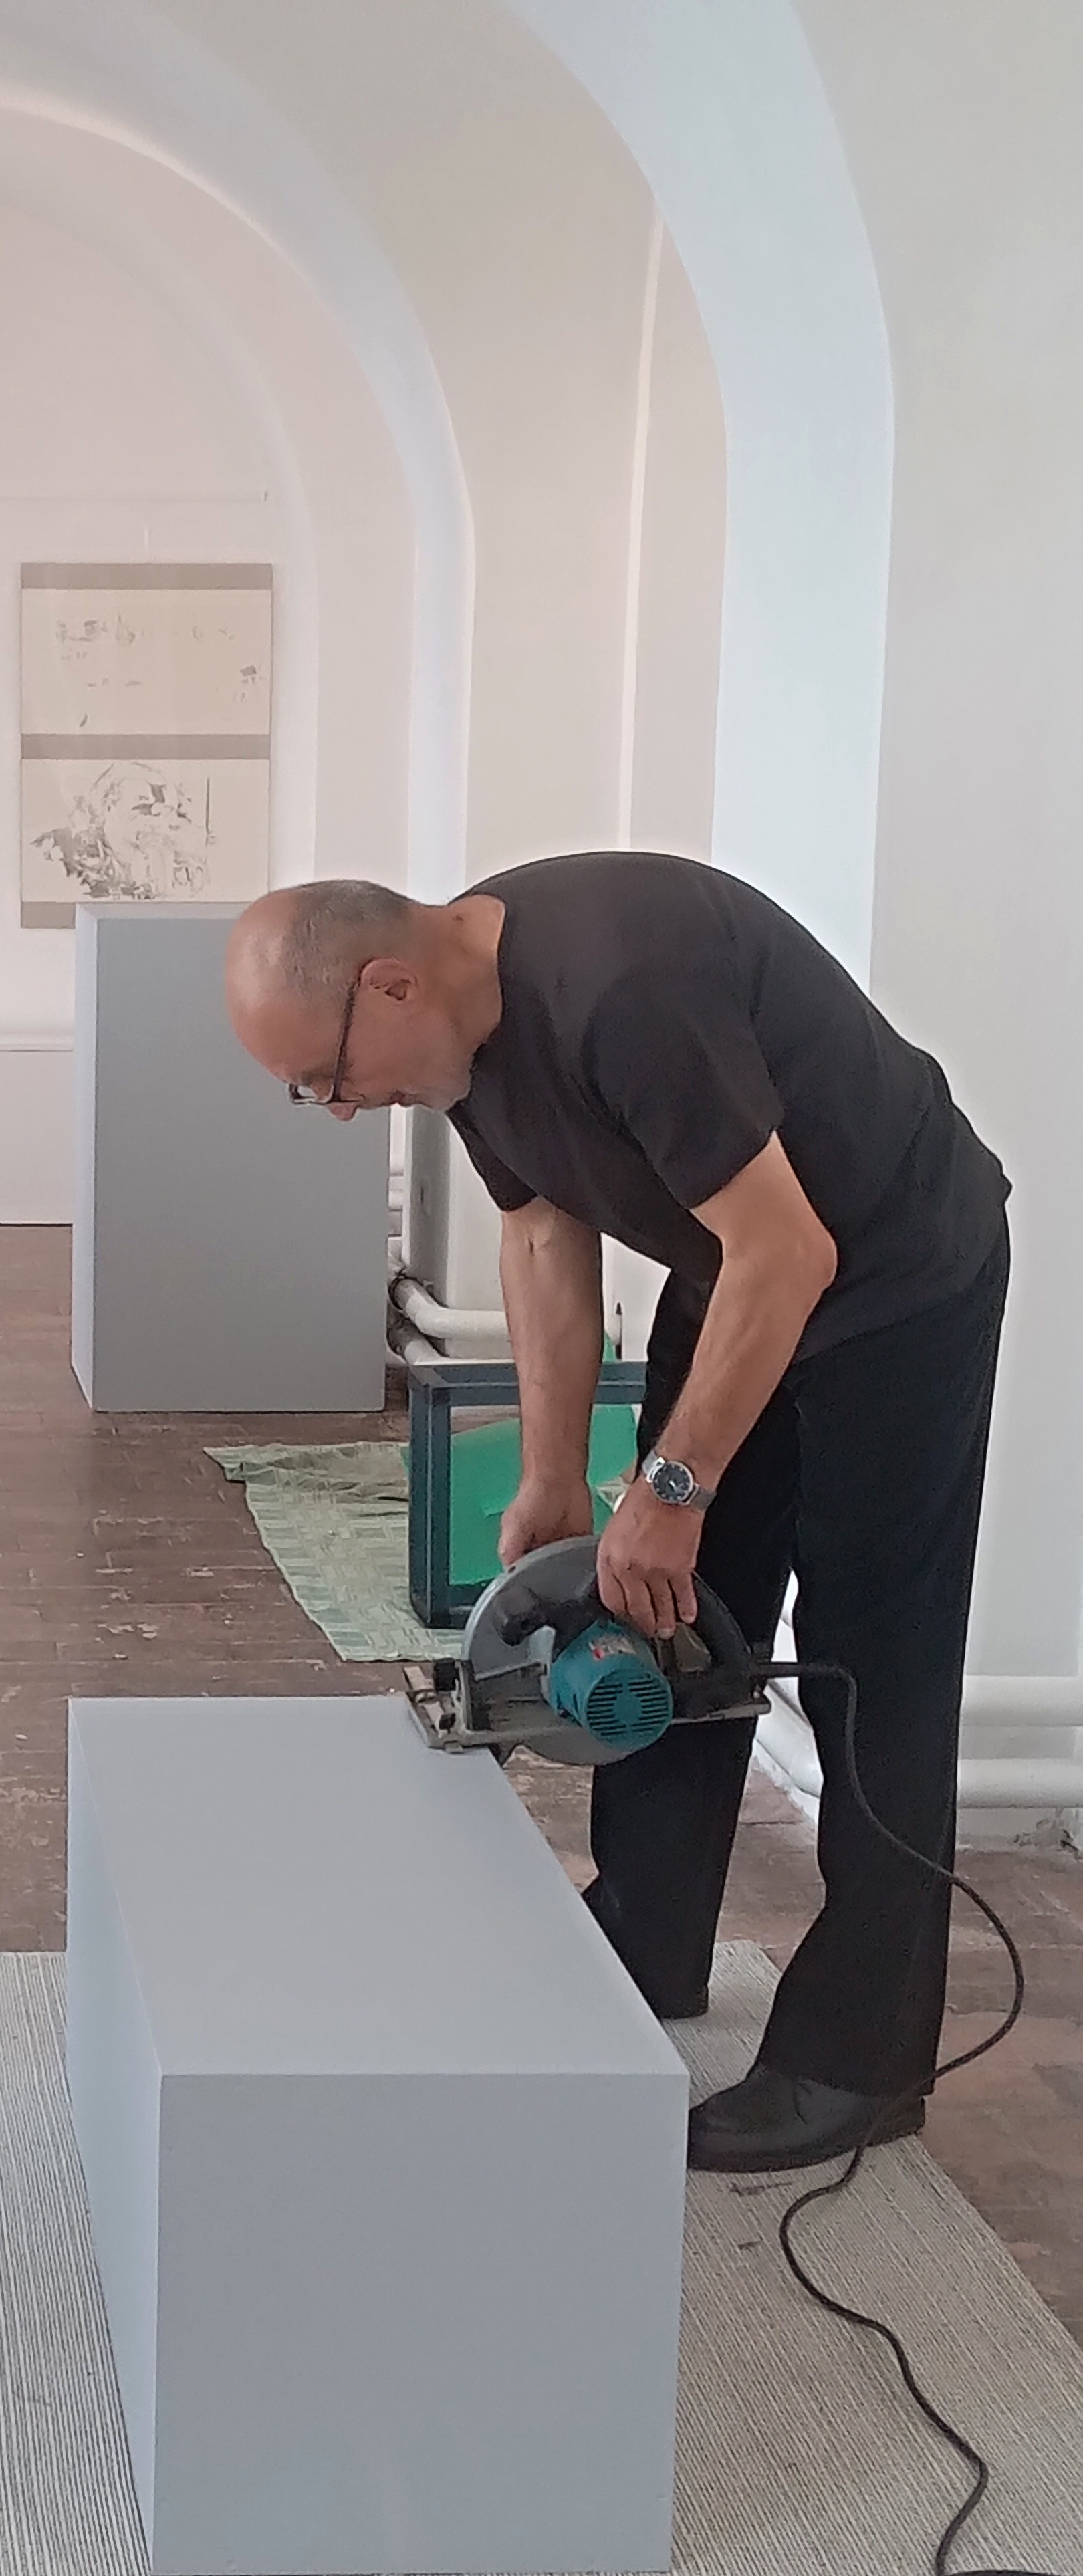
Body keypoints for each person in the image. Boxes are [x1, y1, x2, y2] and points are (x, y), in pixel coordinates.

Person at [225, 854, 1011, 2174]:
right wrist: (552, 1477)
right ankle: (648, 1937)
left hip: (893, 1277)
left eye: (329, 1077)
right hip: (742, 1273)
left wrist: (677, 1486)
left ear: (389, 984)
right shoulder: (463, 1038)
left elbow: (795, 1249)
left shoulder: (622, 993)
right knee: (661, 1608)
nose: (342, 1108)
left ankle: (859, 2062)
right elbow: (542, 1236)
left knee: (877, 1658)